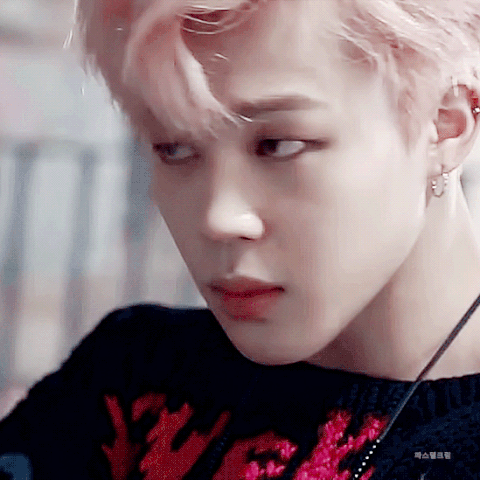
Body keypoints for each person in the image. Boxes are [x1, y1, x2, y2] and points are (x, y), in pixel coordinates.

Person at [1, 0, 480, 478]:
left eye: (280, 144)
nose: (219, 217)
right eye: (174, 148)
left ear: (446, 124)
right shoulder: (130, 378)